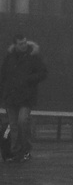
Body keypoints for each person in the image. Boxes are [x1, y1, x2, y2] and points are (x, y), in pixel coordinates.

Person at [0, 33, 46, 164]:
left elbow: (43, 73)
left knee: (22, 122)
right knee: (14, 126)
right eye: (21, 43)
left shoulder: (33, 57)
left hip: (26, 96)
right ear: (15, 44)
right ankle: (16, 151)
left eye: (25, 42)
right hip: (11, 96)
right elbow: (3, 76)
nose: (24, 45)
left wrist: (29, 79)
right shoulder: (9, 58)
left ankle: (25, 150)